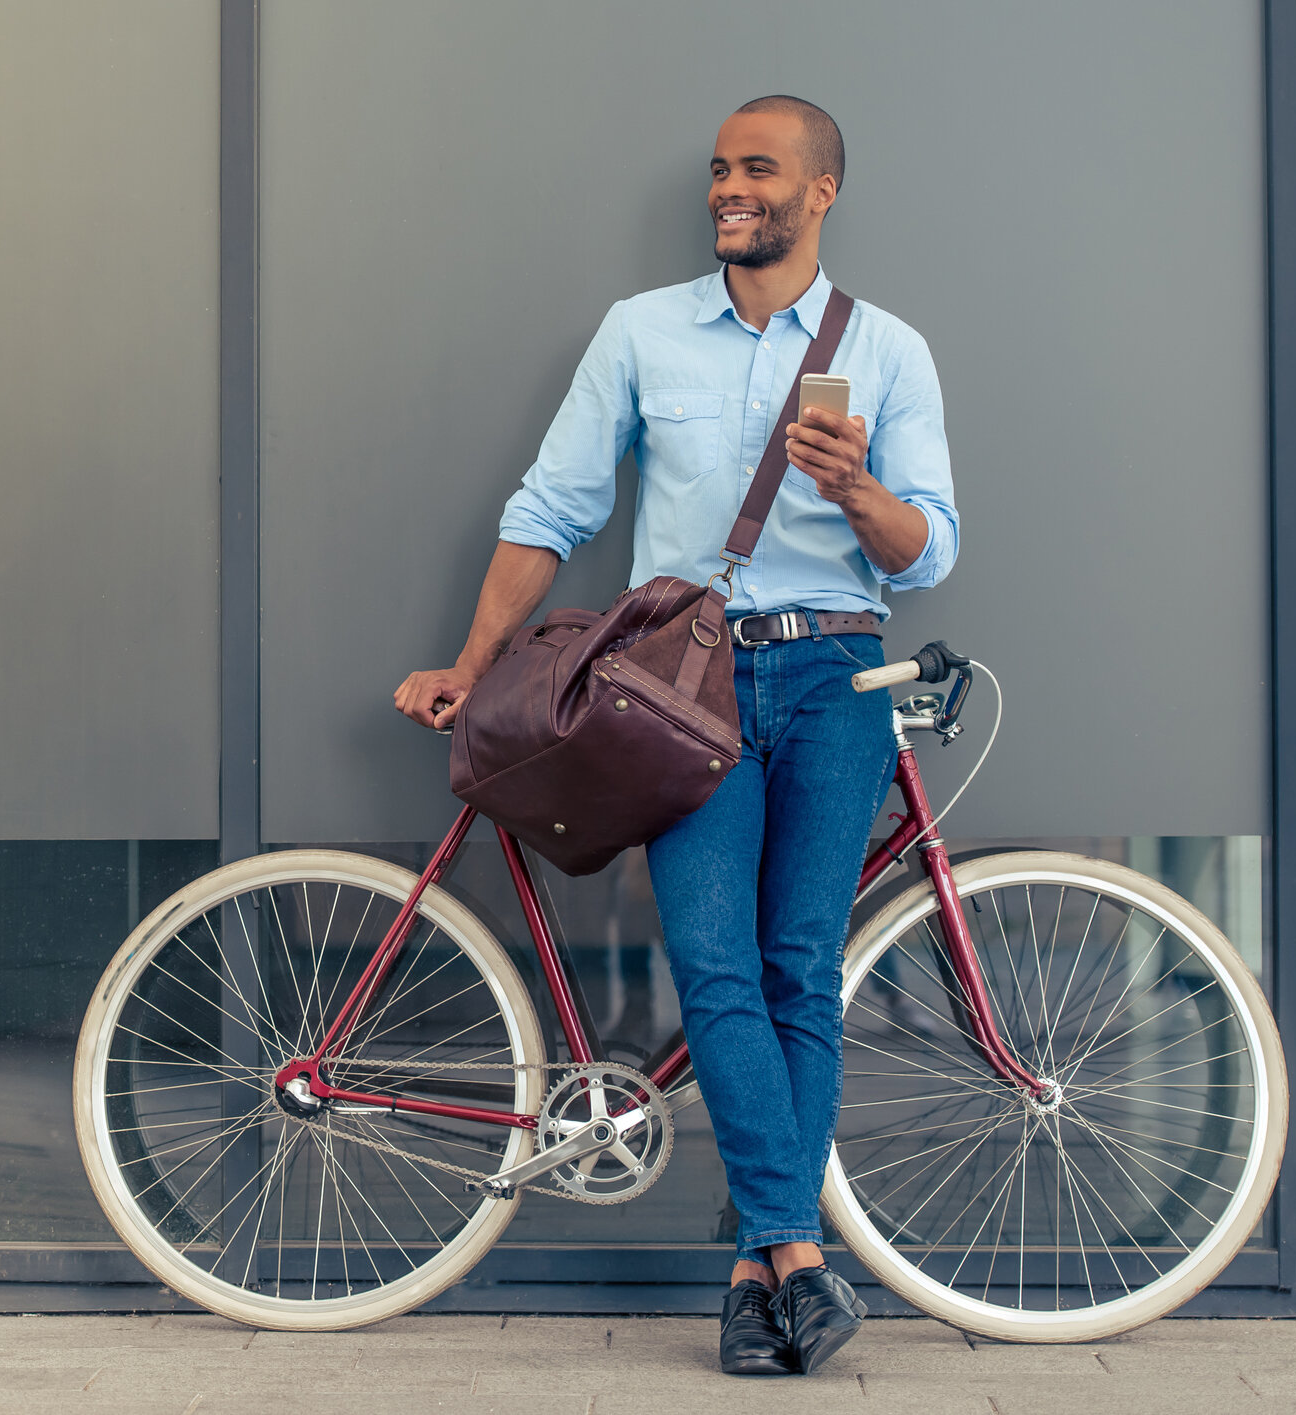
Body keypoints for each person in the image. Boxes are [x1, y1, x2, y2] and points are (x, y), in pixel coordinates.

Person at [391, 95, 957, 1377]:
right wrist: (469, 667)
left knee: (799, 966)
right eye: (717, 170)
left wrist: (856, 488)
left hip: (832, 675)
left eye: (756, 169)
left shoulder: (891, 352)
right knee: (716, 966)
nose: (726, 190)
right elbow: (555, 506)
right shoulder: (641, 332)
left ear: (820, 193)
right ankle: (793, 1254)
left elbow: (931, 548)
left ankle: (759, 1283)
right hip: (677, 685)